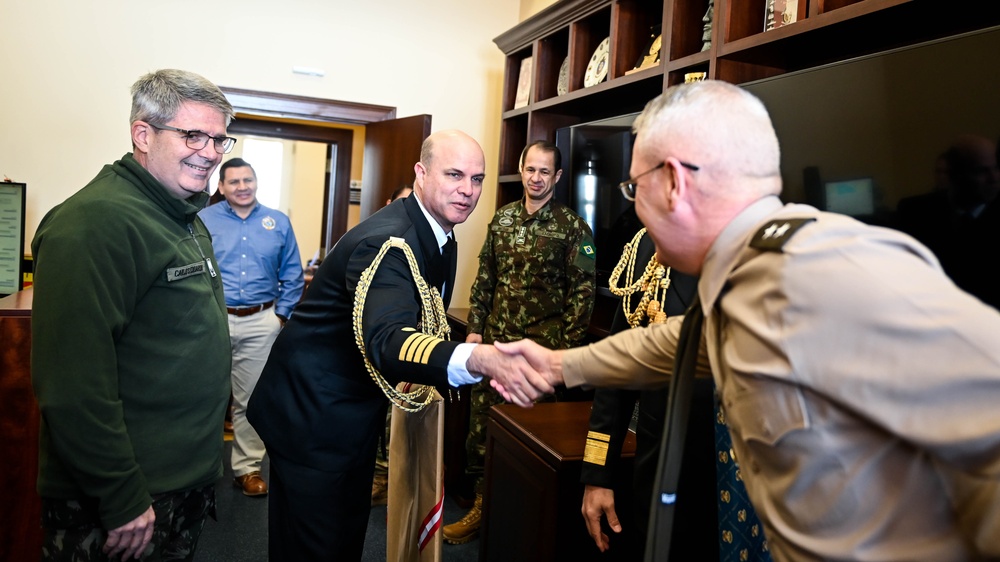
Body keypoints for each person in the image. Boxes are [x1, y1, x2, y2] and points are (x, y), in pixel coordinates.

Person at [497, 80, 1000, 561]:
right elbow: (678, 342)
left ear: (673, 182)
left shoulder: (825, 274)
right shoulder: (747, 275)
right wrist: (561, 365)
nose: (635, 206)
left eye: (634, 187)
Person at [246, 129, 552, 560]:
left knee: (342, 534)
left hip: (346, 406)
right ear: (421, 174)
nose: (467, 190)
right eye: (454, 175)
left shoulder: (435, 228)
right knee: (316, 545)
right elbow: (390, 339)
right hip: (314, 416)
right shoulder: (388, 242)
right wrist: (479, 358)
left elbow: (421, 314)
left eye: (478, 179)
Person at [30, 69, 235, 561]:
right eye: (192, 135)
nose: (208, 152)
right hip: (125, 499)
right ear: (142, 134)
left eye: (218, 139)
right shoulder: (94, 223)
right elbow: (73, 384)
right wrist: (119, 496)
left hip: (179, 482)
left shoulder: (181, 213)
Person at [443, 139, 597, 545]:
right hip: (494, 350)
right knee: (483, 432)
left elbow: (582, 298)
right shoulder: (503, 219)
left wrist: (561, 356)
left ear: (557, 177)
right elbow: (485, 279)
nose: (536, 177)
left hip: (539, 357)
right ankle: (482, 506)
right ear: (521, 168)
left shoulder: (573, 228)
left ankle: (516, 519)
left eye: (545, 171)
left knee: (530, 440)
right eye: (531, 169)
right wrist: (475, 329)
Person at [578, 228, 700, 560]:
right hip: (659, 472)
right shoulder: (651, 243)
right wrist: (597, 475)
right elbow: (617, 370)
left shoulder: (770, 240)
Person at [198, 157, 305, 497]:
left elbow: (292, 274)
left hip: (262, 321)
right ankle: (198, 470)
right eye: (234, 182)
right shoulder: (203, 219)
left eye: (248, 180)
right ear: (221, 187)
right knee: (203, 397)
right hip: (213, 319)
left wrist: (280, 316)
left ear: (256, 182)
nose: (242, 187)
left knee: (251, 400)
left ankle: (248, 469)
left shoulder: (278, 222)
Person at [896, 134, 1000, 310]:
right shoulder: (914, 213)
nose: (994, 178)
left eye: (996, 168)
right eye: (981, 171)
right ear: (955, 175)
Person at [371, 182, 414, 506]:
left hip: (410, 347)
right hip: (374, 346)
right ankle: (373, 475)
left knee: (397, 419)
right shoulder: (373, 241)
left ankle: (391, 479)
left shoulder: (422, 247)